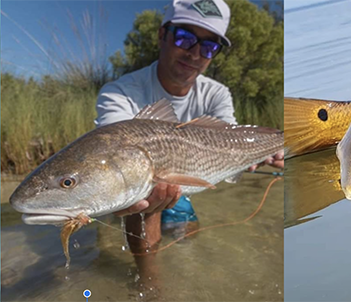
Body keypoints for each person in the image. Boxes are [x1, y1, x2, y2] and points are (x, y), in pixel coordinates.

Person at [94, 0, 284, 286]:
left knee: (189, 231)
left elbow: (230, 137)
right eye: (185, 38)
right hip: (142, 187)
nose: (195, 53)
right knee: (144, 196)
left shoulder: (218, 93)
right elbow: (112, 151)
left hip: (183, 184)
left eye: (209, 46)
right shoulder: (119, 92)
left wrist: (269, 151)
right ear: (162, 35)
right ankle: (150, 283)